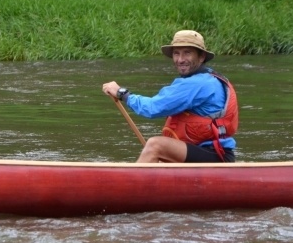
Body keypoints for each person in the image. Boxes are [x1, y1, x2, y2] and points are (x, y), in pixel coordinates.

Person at [102, 30, 238, 163]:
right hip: (202, 152)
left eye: (187, 53)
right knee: (161, 151)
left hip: (215, 155)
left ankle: (130, 185)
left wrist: (122, 93)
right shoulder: (206, 78)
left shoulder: (198, 83)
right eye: (176, 53)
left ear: (201, 57)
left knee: (155, 145)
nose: (180, 59)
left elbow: (152, 108)